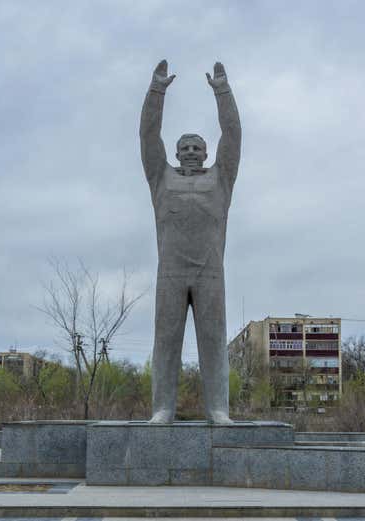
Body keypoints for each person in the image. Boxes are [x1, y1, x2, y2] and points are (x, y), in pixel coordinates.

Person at [140, 59, 241, 424]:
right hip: (170, 273)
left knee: (214, 343)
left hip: (210, 274)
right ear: (176, 153)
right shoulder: (160, 178)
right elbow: (148, 137)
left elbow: (233, 137)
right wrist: (156, 91)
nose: (192, 152)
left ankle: (218, 408)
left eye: (198, 147)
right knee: (165, 342)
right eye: (185, 147)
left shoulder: (221, 179)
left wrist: (223, 92)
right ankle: (162, 408)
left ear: (207, 154)